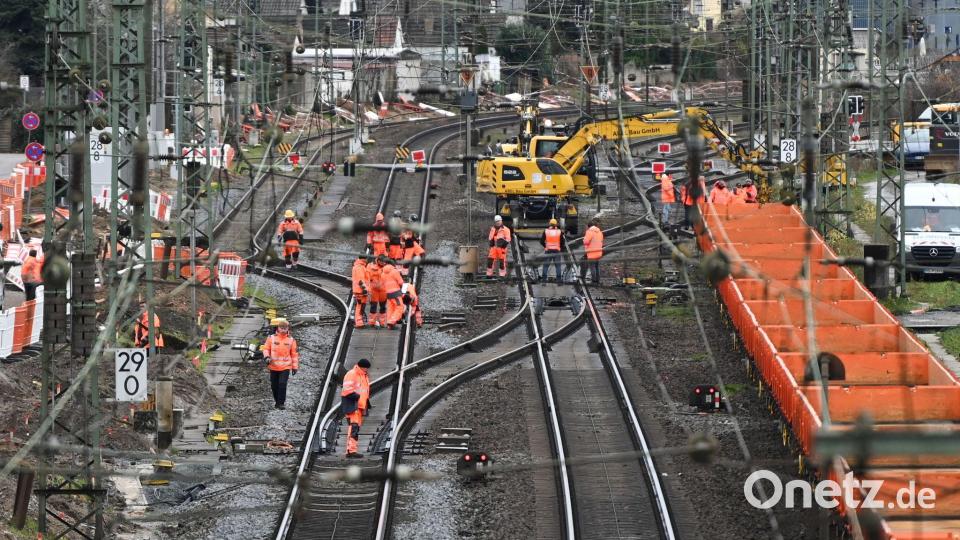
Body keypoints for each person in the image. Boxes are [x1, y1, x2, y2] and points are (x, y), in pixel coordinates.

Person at [262, 318, 299, 410]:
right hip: (273, 366)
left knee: (282, 384)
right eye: (281, 327)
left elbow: (294, 354)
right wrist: (267, 357)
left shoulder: (291, 340)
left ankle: (281, 403)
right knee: (274, 385)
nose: (283, 329)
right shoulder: (271, 338)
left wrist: (295, 367)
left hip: (285, 367)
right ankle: (277, 402)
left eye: (285, 328)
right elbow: (266, 349)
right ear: (278, 328)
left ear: (288, 329)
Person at [340, 358, 371, 458]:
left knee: (355, 427)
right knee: (353, 427)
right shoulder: (352, 374)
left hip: (359, 405)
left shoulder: (363, 375)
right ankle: (351, 451)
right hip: (353, 405)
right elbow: (347, 390)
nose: (367, 370)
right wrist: (358, 398)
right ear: (362, 367)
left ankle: (352, 450)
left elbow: (364, 391)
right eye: (366, 368)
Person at [380, 256, 405, 329]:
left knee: (391, 308)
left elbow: (382, 284)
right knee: (400, 307)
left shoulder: (383, 273)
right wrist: (403, 290)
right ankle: (392, 321)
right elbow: (401, 282)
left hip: (388, 293)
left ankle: (389, 323)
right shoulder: (394, 271)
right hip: (396, 293)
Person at [366, 256, 387, 327]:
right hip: (374, 290)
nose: (383, 263)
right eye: (382, 262)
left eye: (384, 262)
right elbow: (367, 276)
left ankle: (382, 322)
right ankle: (372, 322)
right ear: (378, 261)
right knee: (373, 306)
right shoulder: (370, 266)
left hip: (383, 290)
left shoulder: (387, 267)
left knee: (383, 307)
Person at [582, 218, 604, 284]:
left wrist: (584, 238)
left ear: (589, 226)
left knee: (592, 267)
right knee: (597, 266)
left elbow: (586, 242)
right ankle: (598, 280)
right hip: (599, 252)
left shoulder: (589, 232)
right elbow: (601, 241)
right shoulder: (600, 232)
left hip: (592, 253)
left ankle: (594, 280)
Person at [351, 255, 369, 328]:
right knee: (360, 306)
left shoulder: (358, 266)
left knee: (361, 306)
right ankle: (359, 323)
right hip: (361, 291)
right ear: (364, 259)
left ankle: (360, 322)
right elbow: (360, 280)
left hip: (358, 290)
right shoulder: (360, 267)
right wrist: (364, 289)